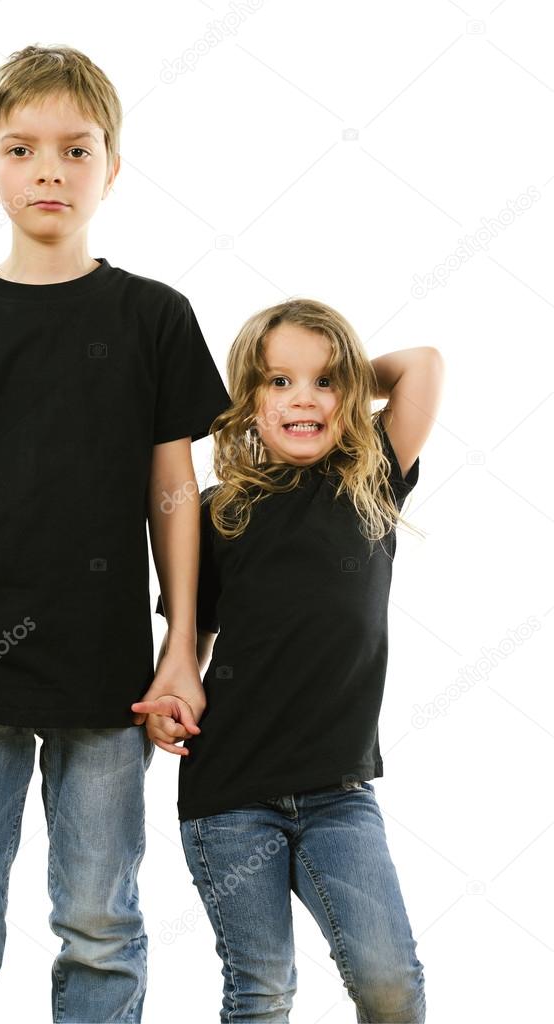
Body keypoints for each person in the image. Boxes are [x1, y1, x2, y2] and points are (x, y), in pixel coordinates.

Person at [0, 44, 229, 1024]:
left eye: (76, 148)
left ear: (112, 166)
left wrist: (181, 648)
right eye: (23, 149)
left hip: (109, 679)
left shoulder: (154, 317)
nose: (51, 169)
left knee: (103, 927)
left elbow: (175, 494)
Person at [134, 298, 444, 1022]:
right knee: (263, 989)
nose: (303, 398)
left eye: (323, 382)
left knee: (389, 982)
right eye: (278, 383)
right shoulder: (218, 512)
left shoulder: (369, 484)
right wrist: (172, 692)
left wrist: (338, 374)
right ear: (248, 401)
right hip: (229, 797)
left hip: (340, 796)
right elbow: (193, 637)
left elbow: (423, 367)